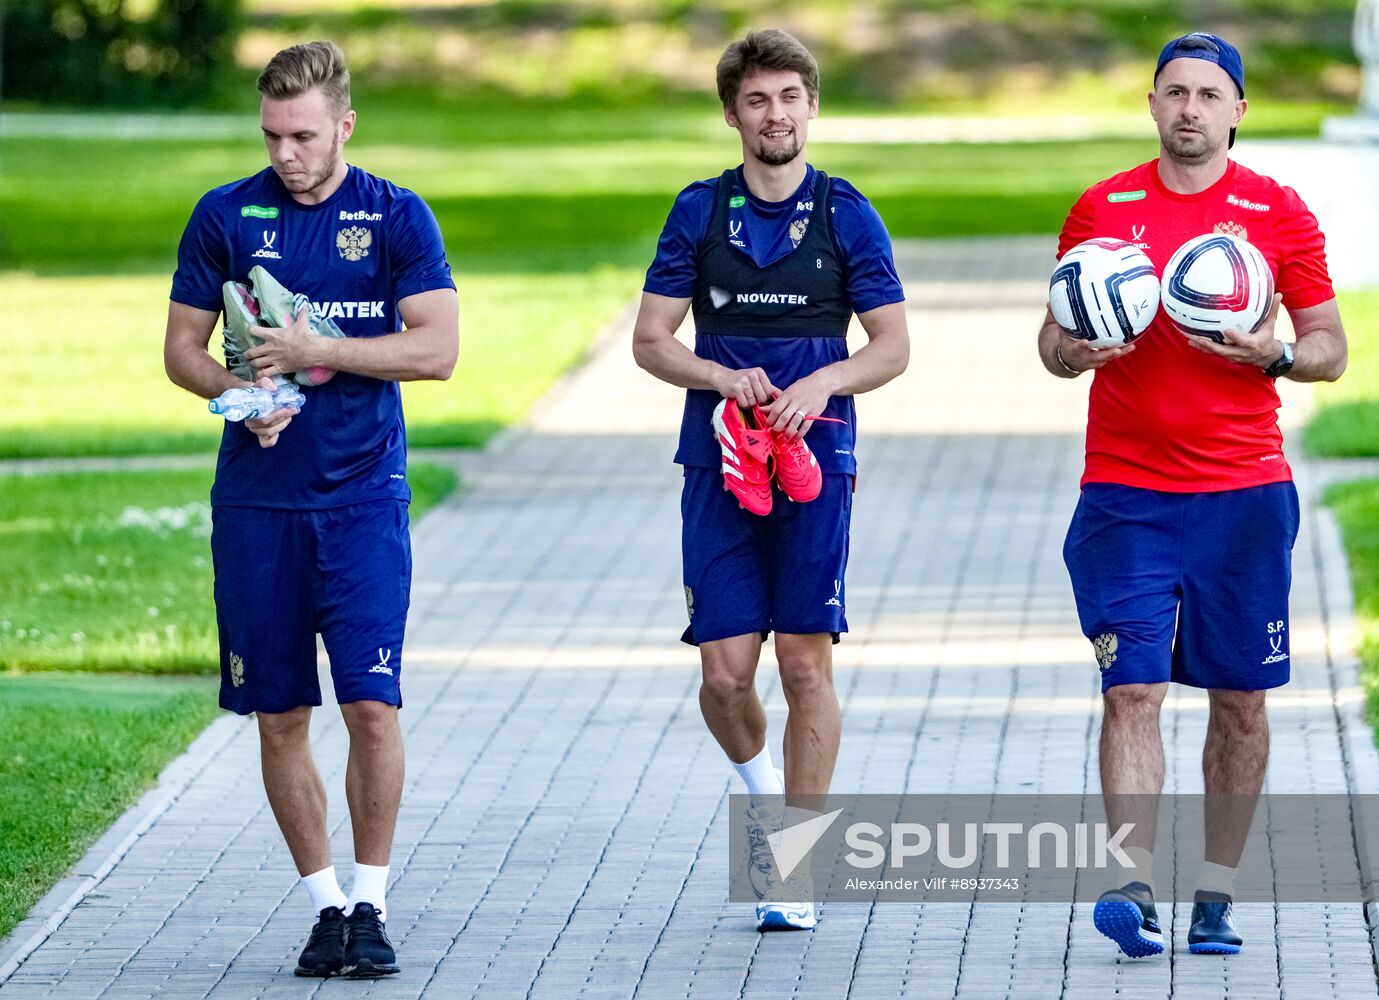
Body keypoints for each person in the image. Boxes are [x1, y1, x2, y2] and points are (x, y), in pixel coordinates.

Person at [1038, 32, 1346, 958]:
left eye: (1208, 95)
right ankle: (1132, 887)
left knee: (1239, 701)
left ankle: (1215, 890)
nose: (1189, 109)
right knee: (1129, 689)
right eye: (1174, 92)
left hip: (1242, 495)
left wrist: (1274, 353)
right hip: (1124, 492)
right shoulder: (1102, 208)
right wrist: (1073, 352)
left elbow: (1329, 348)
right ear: (1151, 103)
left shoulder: (1275, 211)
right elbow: (1050, 342)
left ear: (1237, 110)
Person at [164, 40, 458, 978]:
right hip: (259, 506)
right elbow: (181, 350)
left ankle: (372, 904)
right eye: (271, 136)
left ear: (344, 126)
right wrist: (240, 397)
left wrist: (313, 350)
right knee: (279, 712)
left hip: (362, 498)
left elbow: (437, 350)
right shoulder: (224, 214)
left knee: (371, 704)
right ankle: (325, 907)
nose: (285, 153)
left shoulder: (394, 215)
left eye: (302, 136)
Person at [632, 28, 909, 932]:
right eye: (756, 100)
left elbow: (892, 347)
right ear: (732, 114)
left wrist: (824, 381)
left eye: (790, 97)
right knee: (723, 677)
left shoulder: (844, 212)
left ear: (812, 106)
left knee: (801, 661)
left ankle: (794, 860)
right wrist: (720, 377)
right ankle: (764, 795)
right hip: (717, 461)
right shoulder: (698, 211)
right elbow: (651, 340)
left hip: (814, 462)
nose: (775, 114)